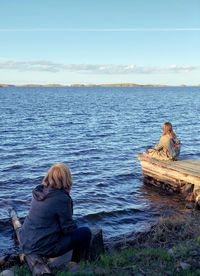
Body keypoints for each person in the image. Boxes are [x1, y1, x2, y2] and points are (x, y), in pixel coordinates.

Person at [19, 163, 92, 262]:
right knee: (85, 232)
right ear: (66, 178)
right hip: (42, 247)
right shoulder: (62, 199)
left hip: (26, 240)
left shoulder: (39, 191)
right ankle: (76, 264)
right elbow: (68, 229)